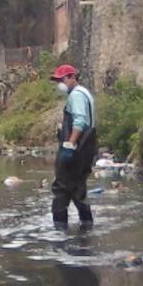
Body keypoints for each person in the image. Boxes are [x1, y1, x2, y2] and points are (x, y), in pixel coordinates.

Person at [50, 64, 98, 229]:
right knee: (78, 188)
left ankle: (59, 229)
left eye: (61, 79)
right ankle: (87, 226)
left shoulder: (76, 95)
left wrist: (70, 144)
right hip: (87, 148)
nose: (59, 84)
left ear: (71, 77)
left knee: (61, 188)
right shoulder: (85, 93)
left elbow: (79, 122)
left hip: (77, 148)